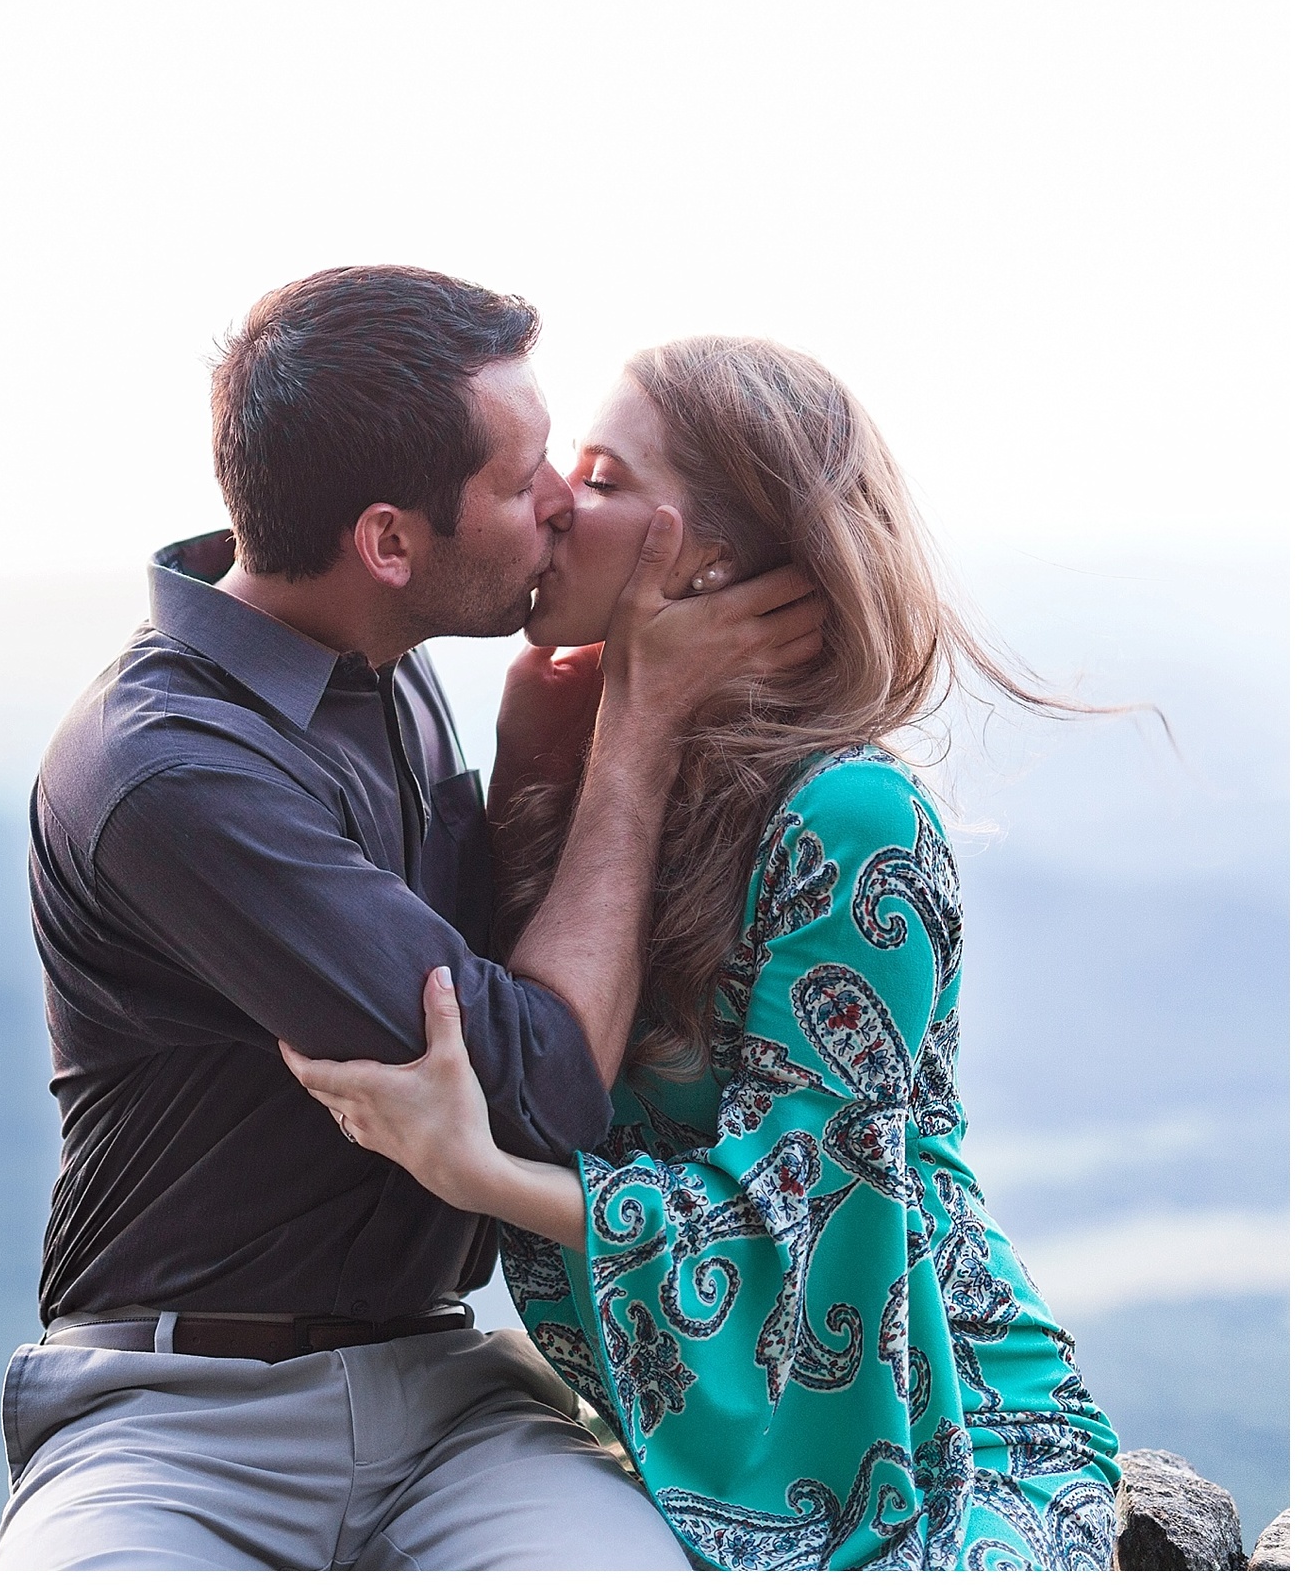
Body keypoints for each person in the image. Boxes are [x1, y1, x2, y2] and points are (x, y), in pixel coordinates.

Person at [0, 268, 825, 1570]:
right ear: (389, 541)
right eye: (524, 476)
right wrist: (638, 730)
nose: (559, 501)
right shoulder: (172, 773)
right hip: (172, 1418)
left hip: (447, 1395)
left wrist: (538, 758)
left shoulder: (381, 661)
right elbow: (547, 1085)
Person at [283, 335, 1122, 1569]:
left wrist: (480, 1177)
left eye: (606, 475)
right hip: (688, 1446)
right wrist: (532, 764)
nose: (557, 504)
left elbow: (808, 1222)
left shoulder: (850, 822)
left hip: (945, 1426)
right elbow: (529, 1052)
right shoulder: (585, 765)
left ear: (714, 560)